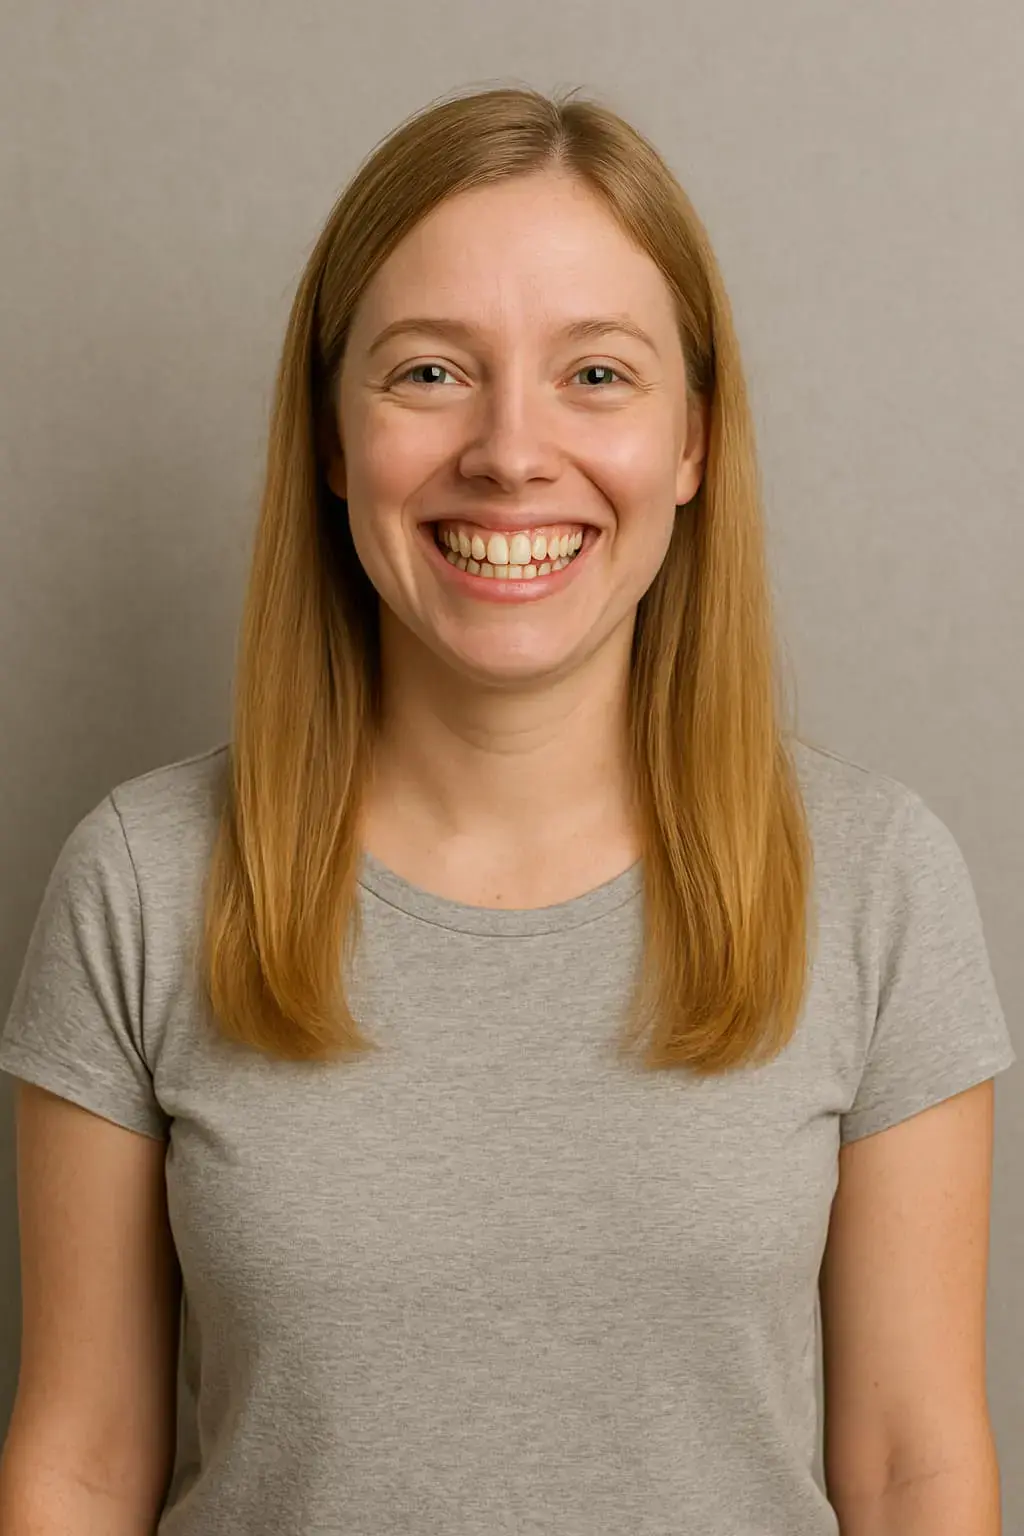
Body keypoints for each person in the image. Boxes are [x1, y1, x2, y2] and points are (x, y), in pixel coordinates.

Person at [0, 84, 1015, 1536]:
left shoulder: (876, 882)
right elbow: (81, 1468)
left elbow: (914, 1467)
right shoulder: (143, 881)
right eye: (429, 373)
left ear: (693, 445)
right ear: (334, 441)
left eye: (597, 375)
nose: (511, 451)